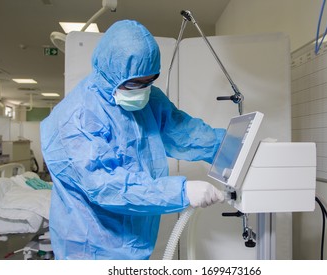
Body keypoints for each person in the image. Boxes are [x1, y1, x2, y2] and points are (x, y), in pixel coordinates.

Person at [40, 20, 225, 260]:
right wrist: (181, 191)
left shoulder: (147, 97)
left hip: (135, 241)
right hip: (90, 247)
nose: (143, 90)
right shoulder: (76, 118)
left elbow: (182, 131)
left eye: (150, 81)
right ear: (110, 73)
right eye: (136, 83)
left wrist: (230, 145)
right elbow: (106, 185)